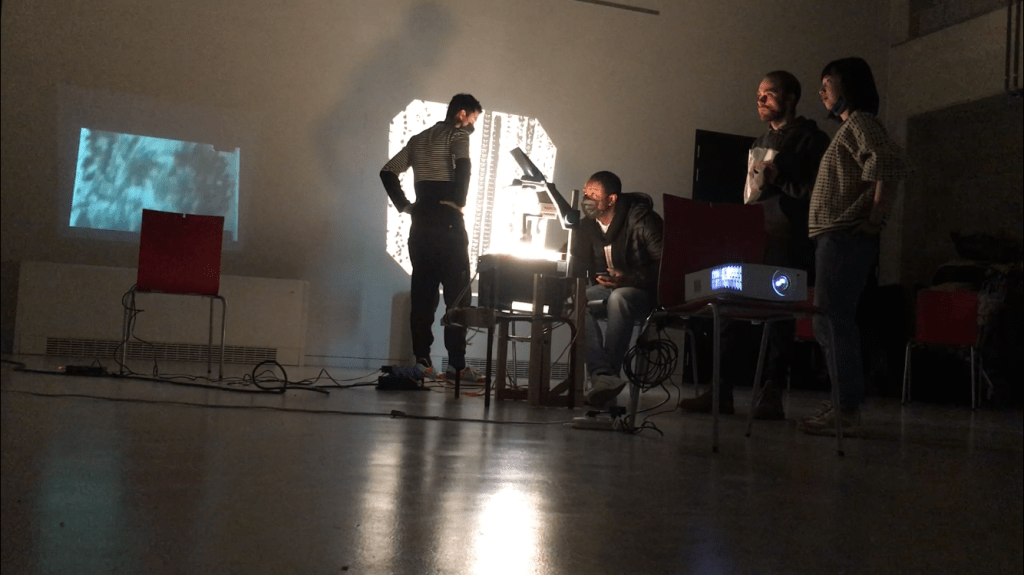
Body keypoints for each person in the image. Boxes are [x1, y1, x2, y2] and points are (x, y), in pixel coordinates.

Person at [678, 70, 830, 419]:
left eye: (769, 93)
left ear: (790, 98)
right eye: (759, 93)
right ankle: (721, 391)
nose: (760, 100)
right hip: (752, 233)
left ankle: (771, 393)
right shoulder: (760, 139)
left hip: (789, 239)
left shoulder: (813, 139)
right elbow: (752, 191)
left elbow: (818, 195)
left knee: (779, 315)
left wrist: (780, 178)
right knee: (726, 301)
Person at [800, 58, 911, 436]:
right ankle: (842, 403)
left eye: (827, 84)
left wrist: (876, 218)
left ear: (848, 86)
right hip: (836, 236)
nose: (821, 92)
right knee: (829, 319)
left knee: (832, 319)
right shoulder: (849, 129)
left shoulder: (861, 122)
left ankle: (845, 409)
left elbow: (887, 163)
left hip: (844, 236)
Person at [380, 94, 483, 380]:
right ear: (462, 114)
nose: (472, 125)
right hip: (448, 225)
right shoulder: (457, 135)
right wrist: (459, 200)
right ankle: (457, 366)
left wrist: (405, 205)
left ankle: (422, 362)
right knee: (457, 296)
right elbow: (464, 167)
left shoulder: (418, 140)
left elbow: (387, 171)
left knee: (423, 297)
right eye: (473, 118)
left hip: (421, 225)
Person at [570, 171, 664, 406]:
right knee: (578, 300)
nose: (587, 200)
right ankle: (603, 375)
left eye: (594, 194)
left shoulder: (641, 220)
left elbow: (666, 266)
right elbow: (579, 264)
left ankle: (608, 380)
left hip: (645, 291)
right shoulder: (587, 226)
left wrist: (630, 279)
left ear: (611, 199)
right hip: (609, 289)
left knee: (619, 297)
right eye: (585, 193)